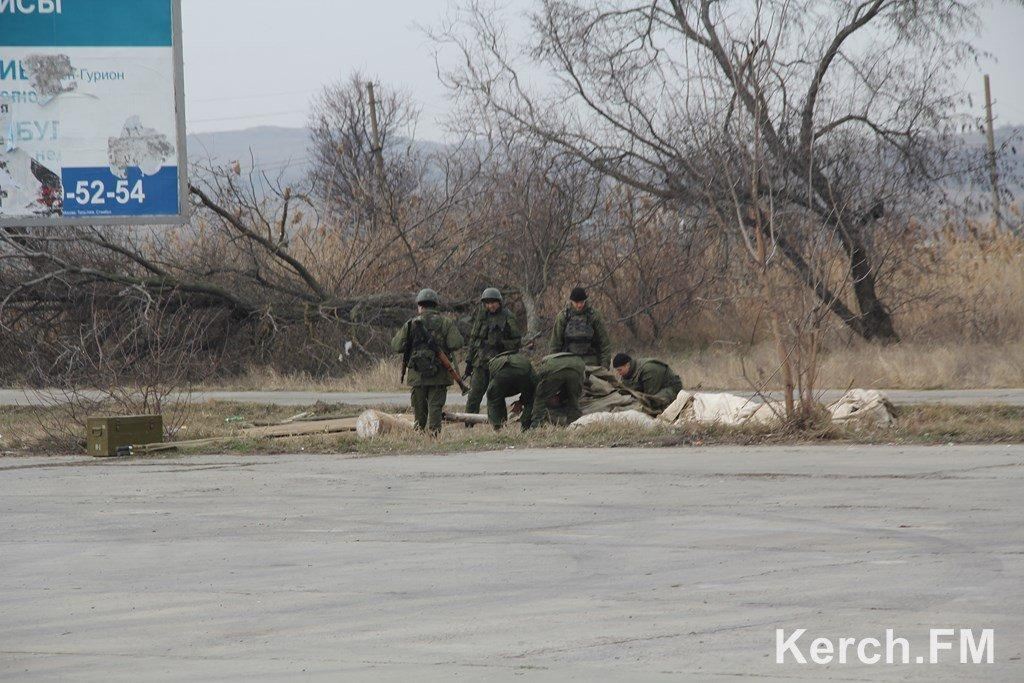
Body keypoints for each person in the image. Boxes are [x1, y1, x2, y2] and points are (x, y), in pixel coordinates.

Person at [390, 288, 464, 434]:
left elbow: (396, 346)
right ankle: (434, 434)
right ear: (435, 305)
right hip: (440, 372)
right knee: (435, 406)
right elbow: (457, 343)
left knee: (419, 406)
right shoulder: (445, 323)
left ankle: (419, 433)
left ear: (420, 306)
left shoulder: (411, 324)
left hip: (418, 374)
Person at [465, 287, 522, 416]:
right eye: (488, 303)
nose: (490, 306)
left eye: (493, 302)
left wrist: (501, 343)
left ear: (499, 302)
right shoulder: (481, 316)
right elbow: (473, 339)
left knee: (496, 394)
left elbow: (517, 342)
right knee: (474, 395)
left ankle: (498, 423)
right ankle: (469, 422)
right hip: (480, 362)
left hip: (499, 362)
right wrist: (469, 361)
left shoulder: (508, 317)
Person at [549, 287, 611, 368]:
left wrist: (605, 365)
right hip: (569, 363)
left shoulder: (594, 316)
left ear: (585, 300)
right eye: (576, 302)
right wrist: (553, 366)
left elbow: (604, 343)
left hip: (591, 363)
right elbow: (555, 344)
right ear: (571, 301)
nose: (579, 305)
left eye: (582, 302)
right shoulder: (563, 317)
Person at [529, 352, 586, 428]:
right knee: (574, 399)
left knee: (541, 398)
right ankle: (574, 424)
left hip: (553, 368)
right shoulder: (575, 359)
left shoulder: (546, 361)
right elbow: (580, 383)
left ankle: (536, 425)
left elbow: (540, 385)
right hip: (577, 366)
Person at [484, 350, 537, 430]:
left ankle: (498, 427)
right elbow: (533, 384)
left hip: (502, 374)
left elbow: (493, 393)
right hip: (524, 371)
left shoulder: (494, 361)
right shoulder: (522, 358)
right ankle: (525, 426)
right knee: (530, 399)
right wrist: (522, 401)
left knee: (494, 397)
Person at [612, 353, 683, 411]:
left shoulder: (648, 368)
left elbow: (651, 397)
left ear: (627, 365)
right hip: (652, 390)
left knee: (652, 405)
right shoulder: (627, 373)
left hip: (670, 388)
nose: (618, 373)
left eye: (619, 370)